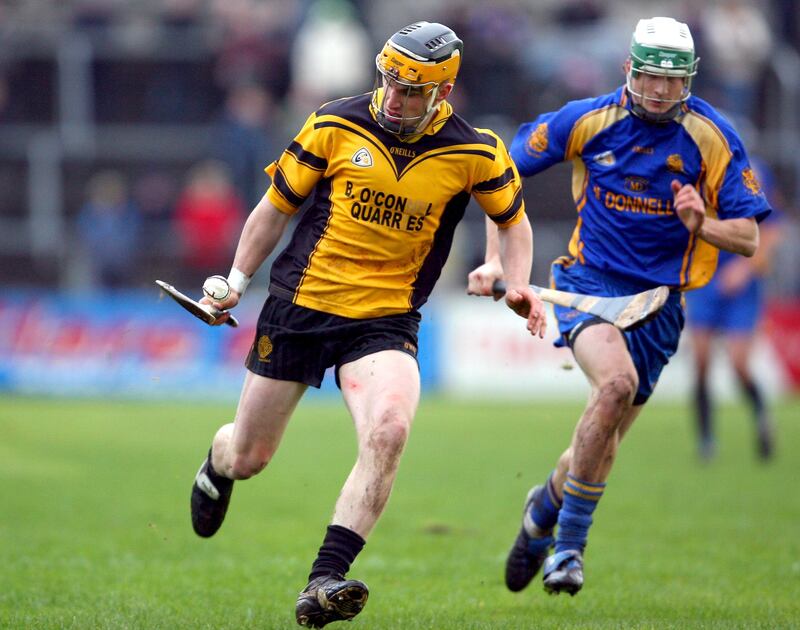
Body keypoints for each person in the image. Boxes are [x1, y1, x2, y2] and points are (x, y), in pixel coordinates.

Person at [189, 21, 547, 629]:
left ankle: (325, 578)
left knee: (389, 428)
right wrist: (236, 280)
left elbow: (511, 218)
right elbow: (275, 209)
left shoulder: (475, 149)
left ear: (444, 92)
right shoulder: (335, 123)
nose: (397, 98)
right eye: (390, 83)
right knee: (251, 455)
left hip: (386, 318)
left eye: (414, 91)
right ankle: (217, 462)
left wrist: (511, 277)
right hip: (302, 304)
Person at [468, 16, 770, 597]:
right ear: (629, 70)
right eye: (651, 77)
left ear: (690, 81)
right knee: (614, 387)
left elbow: (750, 239)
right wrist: (497, 262)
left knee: (601, 441)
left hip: (661, 306)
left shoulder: (713, 137)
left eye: (673, 81)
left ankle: (542, 511)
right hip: (588, 284)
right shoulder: (587, 119)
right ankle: (569, 552)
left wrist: (702, 223)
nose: (660, 91)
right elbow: (497, 174)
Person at [686, 156, 785, 461]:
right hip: (704, 279)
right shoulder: (690, 170)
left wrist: (746, 270)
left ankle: (761, 417)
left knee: (739, 364)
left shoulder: (753, 173)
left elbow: (772, 229)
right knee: (701, 362)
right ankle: (706, 441)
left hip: (741, 286)